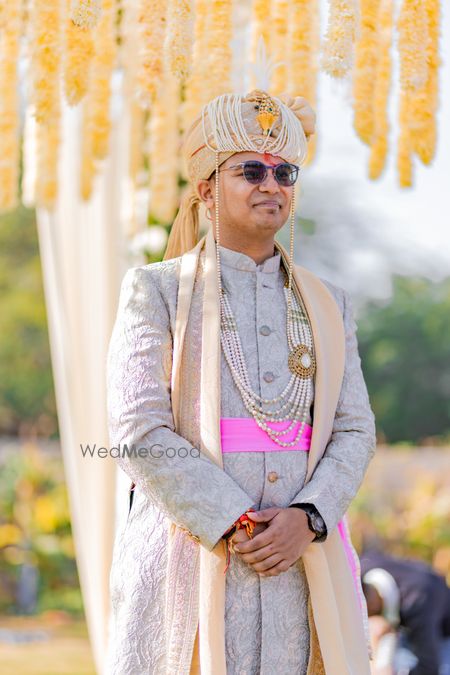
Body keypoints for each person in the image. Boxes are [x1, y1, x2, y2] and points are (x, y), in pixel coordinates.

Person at [106, 87, 377, 674]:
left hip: (300, 564)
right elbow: (136, 428)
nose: (270, 184)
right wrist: (233, 518)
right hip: (189, 554)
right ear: (207, 190)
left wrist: (308, 517)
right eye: (251, 171)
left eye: (284, 172)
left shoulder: (329, 304)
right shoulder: (156, 291)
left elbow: (355, 429)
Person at [361, 549, 450, 675]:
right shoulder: (363, 566)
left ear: (373, 606)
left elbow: (429, 668)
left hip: (442, 632)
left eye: (368, 618)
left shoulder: (417, 603)